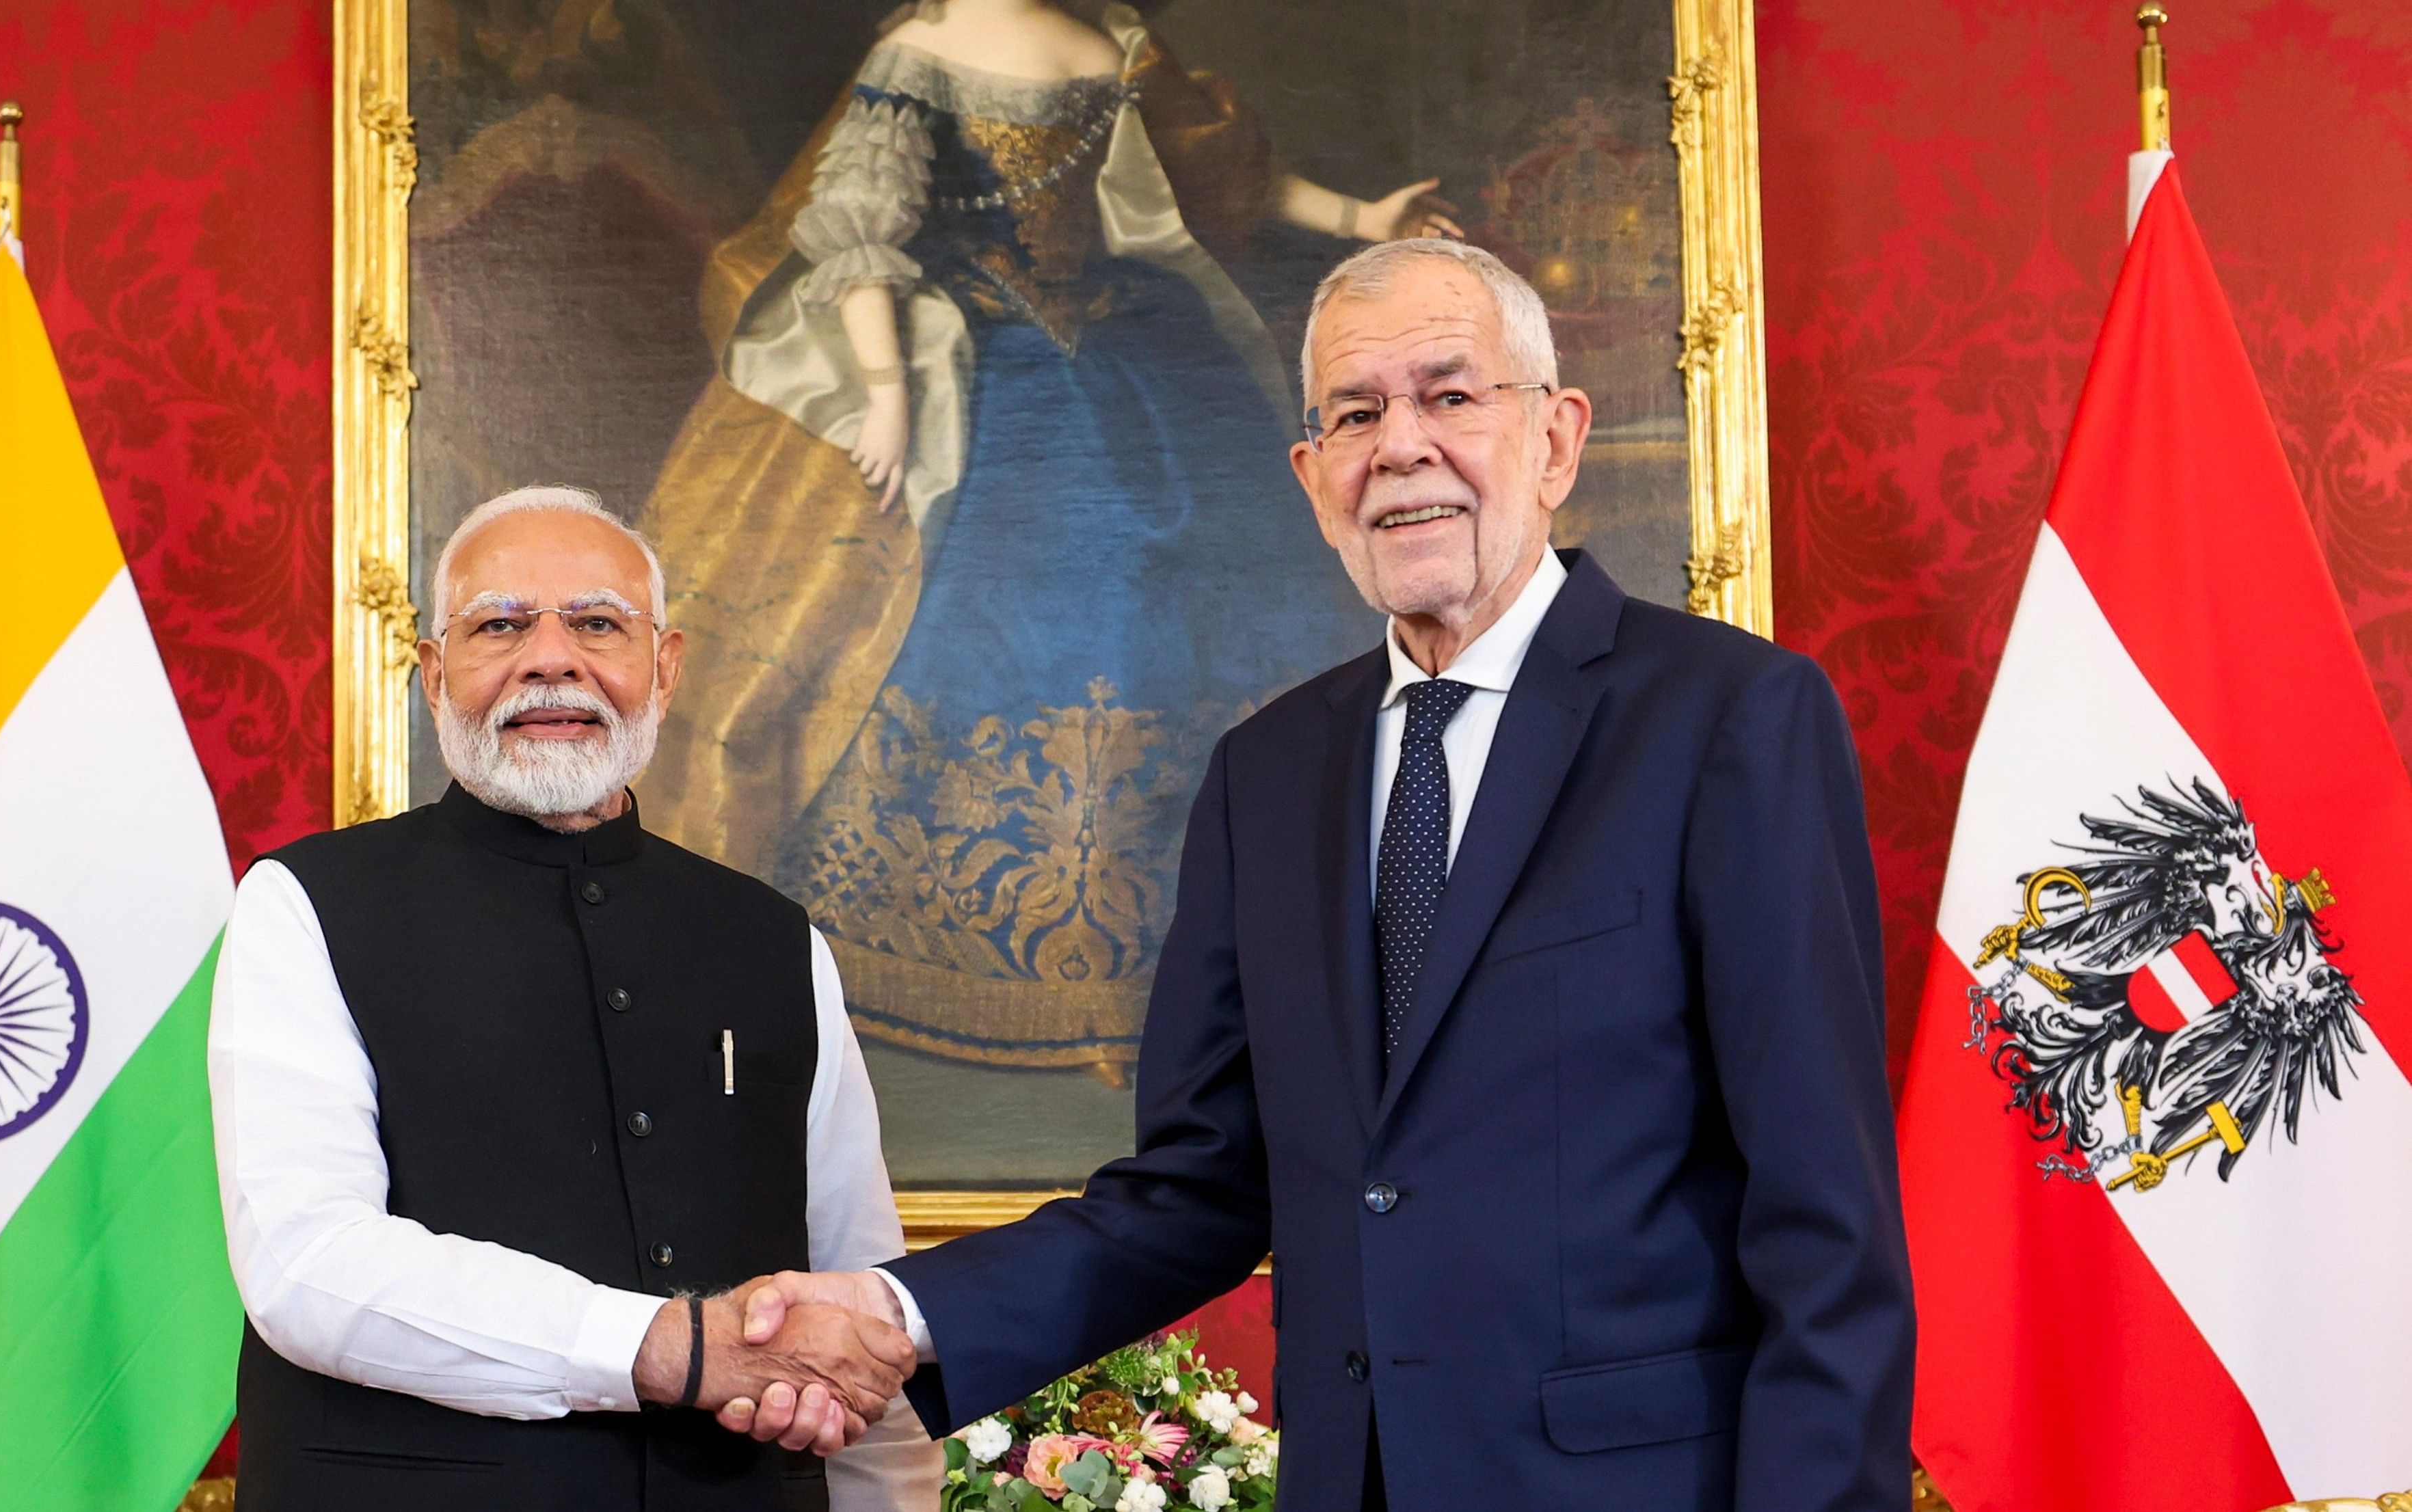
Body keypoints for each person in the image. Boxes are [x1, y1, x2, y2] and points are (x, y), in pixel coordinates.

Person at [723, 241, 1917, 1510]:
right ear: (1312, 478)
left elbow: (1823, 1224)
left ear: (1556, 442)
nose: (1399, 444)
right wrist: (900, 1312)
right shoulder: (1268, 773)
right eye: (1355, 413)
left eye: (1449, 396)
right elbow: (1201, 1186)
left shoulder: (1728, 718)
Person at [634, 0, 1459, 1079]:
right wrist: (884, 395)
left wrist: (1361, 217)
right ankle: (953, 950)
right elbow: (861, 236)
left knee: (1179, 589)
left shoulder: (1102, 43)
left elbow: (1218, 174)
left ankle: (1167, 966)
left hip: (1124, 350)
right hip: (979, 363)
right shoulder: (923, 53)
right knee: (979, 594)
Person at [207, 487, 935, 1510]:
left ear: (665, 669)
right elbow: (307, 1266)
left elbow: (854, 1304)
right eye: (499, 624)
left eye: (596, 623)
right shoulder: (305, 904)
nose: (550, 657)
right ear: (432, 675)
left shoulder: (773, 938)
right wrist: (668, 1348)